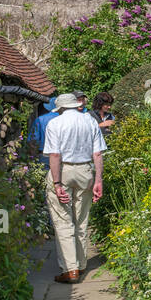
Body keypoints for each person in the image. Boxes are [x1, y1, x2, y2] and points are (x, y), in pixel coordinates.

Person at [42, 93, 106, 283]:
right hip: (86, 170)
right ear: (76, 105)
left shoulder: (55, 124)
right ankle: (82, 263)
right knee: (81, 220)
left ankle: (70, 270)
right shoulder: (90, 122)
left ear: (60, 108)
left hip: (63, 170)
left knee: (63, 222)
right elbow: (98, 154)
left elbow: (54, 155)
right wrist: (98, 180)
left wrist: (57, 183)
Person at [28, 97, 59, 161]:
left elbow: (33, 139)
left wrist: (33, 155)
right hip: (64, 154)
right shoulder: (67, 118)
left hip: (45, 154)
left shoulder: (40, 119)